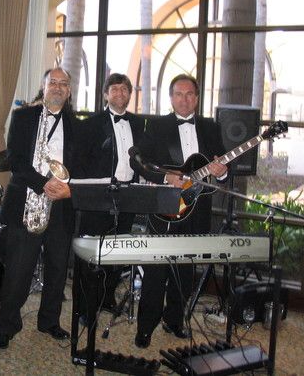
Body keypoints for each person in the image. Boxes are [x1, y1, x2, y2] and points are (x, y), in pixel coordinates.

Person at [132, 74, 228, 349]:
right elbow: (139, 161)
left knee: (186, 269)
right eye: (178, 94)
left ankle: (173, 320)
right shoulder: (157, 125)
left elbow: (222, 166)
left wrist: (222, 171)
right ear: (171, 98)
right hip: (166, 207)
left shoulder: (210, 127)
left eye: (189, 94)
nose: (184, 99)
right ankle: (145, 327)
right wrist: (165, 177)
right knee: (157, 269)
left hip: (198, 208)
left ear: (196, 98)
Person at [0, 68, 79, 349]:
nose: (58, 87)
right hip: (26, 201)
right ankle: (6, 326)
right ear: (44, 86)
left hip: (62, 205)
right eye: (53, 82)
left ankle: (49, 321)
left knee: (57, 269)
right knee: (18, 270)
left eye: (63, 83)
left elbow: (82, 165)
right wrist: (44, 184)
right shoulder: (23, 117)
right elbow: (15, 160)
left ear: (69, 90)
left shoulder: (77, 124)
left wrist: (67, 188)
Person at [77, 73, 145, 318]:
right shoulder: (91, 123)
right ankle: (86, 308)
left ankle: (107, 298)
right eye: (114, 89)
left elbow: (143, 159)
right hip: (100, 195)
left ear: (130, 94)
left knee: (117, 250)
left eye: (124, 89)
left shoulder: (138, 123)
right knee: (92, 253)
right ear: (106, 94)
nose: (119, 93)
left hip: (128, 195)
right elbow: (81, 162)